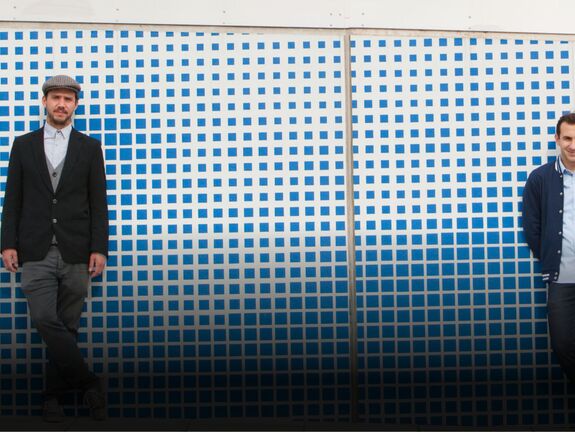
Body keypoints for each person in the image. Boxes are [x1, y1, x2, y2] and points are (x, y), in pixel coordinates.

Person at [1, 75, 109, 422]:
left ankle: (51, 400)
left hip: (77, 251)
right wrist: (7, 244)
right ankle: (90, 383)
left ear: (76, 105)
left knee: (68, 326)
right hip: (34, 250)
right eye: (56, 98)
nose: (62, 104)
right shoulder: (24, 144)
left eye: (68, 99)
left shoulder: (90, 147)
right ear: (45, 102)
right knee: (46, 319)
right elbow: (12, 199)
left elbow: (98, 203)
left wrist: (99, 248)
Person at [523, 111, 575, 383]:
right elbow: (531, 225)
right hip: (562, 278)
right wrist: (549, 255)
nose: (573, 145)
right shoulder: (540, 178)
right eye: (567, 138)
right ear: (557, 138)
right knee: (564, 344)